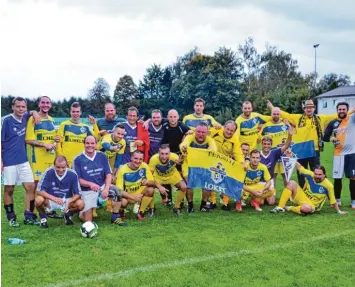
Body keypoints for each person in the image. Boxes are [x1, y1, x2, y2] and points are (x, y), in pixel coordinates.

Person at [267, 99, 337, 188]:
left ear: (314, 108)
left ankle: (318, 192)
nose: (309, 109)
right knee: (301, 173)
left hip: (314, 151)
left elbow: (335, 116)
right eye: (307, 108)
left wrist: (351, 112)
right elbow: (284, 114)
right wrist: (272, 108)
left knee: (315, 172)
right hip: (301, 150)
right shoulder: (298, 118)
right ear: (304, 109)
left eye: (311, 108)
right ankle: (302, 193)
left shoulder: (320, 118)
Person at [2, 97, 41, 227]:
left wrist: (34, 112)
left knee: (30, 187)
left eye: (23, 107)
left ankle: (28, 216)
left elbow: (32, 113)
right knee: (9, 189)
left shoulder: (26, 118)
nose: (20, 109)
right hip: (9, 162)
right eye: (18, 106)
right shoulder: (6, 121)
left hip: (23, 161)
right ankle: (11, 217)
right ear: (12, 107)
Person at [73, 136, 126, 225]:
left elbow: (108, 174)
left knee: (117, 191)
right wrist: (90, 184)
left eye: (92, 143)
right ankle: (81, 212)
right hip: (87, 190)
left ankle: (115, 218)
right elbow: (77, 180)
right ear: (84, 144)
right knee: (88, 221)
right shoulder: (77, 159)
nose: (90, 145)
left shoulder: (102, 155)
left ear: (96, 144)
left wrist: (106, 188)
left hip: (102, 187)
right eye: (87, 143)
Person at [270, 162, 347, 215]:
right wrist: (292, 157)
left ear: (324, 175)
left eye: (319, 174)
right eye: (315, 174)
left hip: (312, 205)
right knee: (291, 183)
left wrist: (339, 211)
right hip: (303, 197)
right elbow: (300, 167)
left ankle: (289, 208)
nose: (317, 176)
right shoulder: (310, 175)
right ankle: (280, 207)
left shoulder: (329, 185)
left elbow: (333, 201)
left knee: (306, 209)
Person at [35, 155, 84, 228]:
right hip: (51, 200)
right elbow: (39, 191)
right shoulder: (48, 172)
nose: (61, 170)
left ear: (67, 165)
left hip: (66, 200)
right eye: (58, 167)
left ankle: (67, 215)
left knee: (81, 204)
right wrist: (54, 198)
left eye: (63, 167)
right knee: (38, 200)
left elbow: (78, 194)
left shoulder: (72, 174)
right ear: (54, 165)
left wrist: (69, 201)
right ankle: (43, 218)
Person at [323, 102, 355, 209]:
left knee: (353, 178)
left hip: (351, 153)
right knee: (337, 178)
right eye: (340, 109)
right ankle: (338, 200)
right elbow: (325, 137)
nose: (342, 111)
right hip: (338, 154)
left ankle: (353, 201)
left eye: (344, 109)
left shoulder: (352, 119)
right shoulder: (333, 123)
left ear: (347, 110)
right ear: (337, 110)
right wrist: (331, 138)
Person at [180, 122, 217, 212]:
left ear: (207, 132)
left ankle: (203, 205)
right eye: (198, 131)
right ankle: (190, 205)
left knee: (207, 184)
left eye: (203, 132)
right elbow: (183, 145)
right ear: (195, 131)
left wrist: (211, 150)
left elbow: (214, 149)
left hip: (203, 165)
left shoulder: (210, 140)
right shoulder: (190, 137)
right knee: (189, 183)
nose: (200, 134)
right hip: (189, 164)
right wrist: (183, 147)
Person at [160, 109, 191, 205]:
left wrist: (189, 132)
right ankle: (168, 199)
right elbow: (153, 120)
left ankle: (181, 200)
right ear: (167, 117)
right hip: (167, 154)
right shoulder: (164, 124)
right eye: (170, 117)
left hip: (178, 155)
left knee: (180, 177)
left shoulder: (182, 126)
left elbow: (190, 131)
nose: (172, 119)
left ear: (178, 117)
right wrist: (147, 121)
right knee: (166, 175)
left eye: (174, 117)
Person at [259, 125, 295, 205]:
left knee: (271, 203)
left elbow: (286, 145)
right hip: (259, 181)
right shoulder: (257, 154)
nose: (266, 146)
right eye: (264, 144)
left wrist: (290, 135)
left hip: (269, 181)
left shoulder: (274, 153)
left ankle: (266, 195)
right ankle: (260, 196)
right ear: (262, 144)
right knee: (260, 203)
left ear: (271, 145)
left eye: (268, 144)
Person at [116, 150, 155, 220]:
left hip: (139, 193)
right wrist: (133, 197)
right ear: (131, 158)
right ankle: (121, 212)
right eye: (136, 158)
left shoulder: (144, 166)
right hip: (127, 195)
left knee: (151, 190)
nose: (138, 161)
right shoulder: (123, 169)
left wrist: (148, 182)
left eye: (140, 159)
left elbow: (153, 182)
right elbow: (119, 191)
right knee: (123, 202)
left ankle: (141, 212)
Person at [56, 102, 99, 167]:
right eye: (73, 111)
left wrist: (94, 124)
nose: (75, 114)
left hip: (81, 161)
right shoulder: (64, 125)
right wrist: (62, 157)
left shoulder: (85, 127)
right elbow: (58, 143)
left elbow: (97, 137)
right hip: (67, 162)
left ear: (80, 112)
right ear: (70, 112)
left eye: (77, 111)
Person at [149, 144, 187, 215]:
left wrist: (181, 160)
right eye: (162, 154)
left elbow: (179, 162)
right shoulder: (153, 159)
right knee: (150, 188)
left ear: (170, 153)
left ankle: (177, 207)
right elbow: (149, 176)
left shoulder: (174, 156)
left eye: (166, 154)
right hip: (158, 177)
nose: (164, 156)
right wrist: (159, 187)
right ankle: (152, 208)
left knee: (184, 187)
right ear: (158, 153)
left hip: (172, 175)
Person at [210, 120, 239, 210]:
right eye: (227, 129)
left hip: (226, 164)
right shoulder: (215, 131)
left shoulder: (235, 140)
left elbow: (238, 153)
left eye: (232, 131)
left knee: (228, 182)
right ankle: (212, 202)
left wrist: (242, 162)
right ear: (224, 127)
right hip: (212, 161)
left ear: (234, 131)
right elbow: (203, 133)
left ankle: (225, 203)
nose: (229, 132)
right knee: (211, 181)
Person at [259, 107, 289, 187]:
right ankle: (273, 192)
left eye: (277, 114)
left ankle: (288, 195)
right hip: (272, 155)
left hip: (283, 154)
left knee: (285, 176)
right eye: (274, 114)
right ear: (271, 114)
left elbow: (290, 139)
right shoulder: (265, 126)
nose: (276, 115)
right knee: (273, 175)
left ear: (280, 115)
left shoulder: (285, 126)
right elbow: (259, 139)